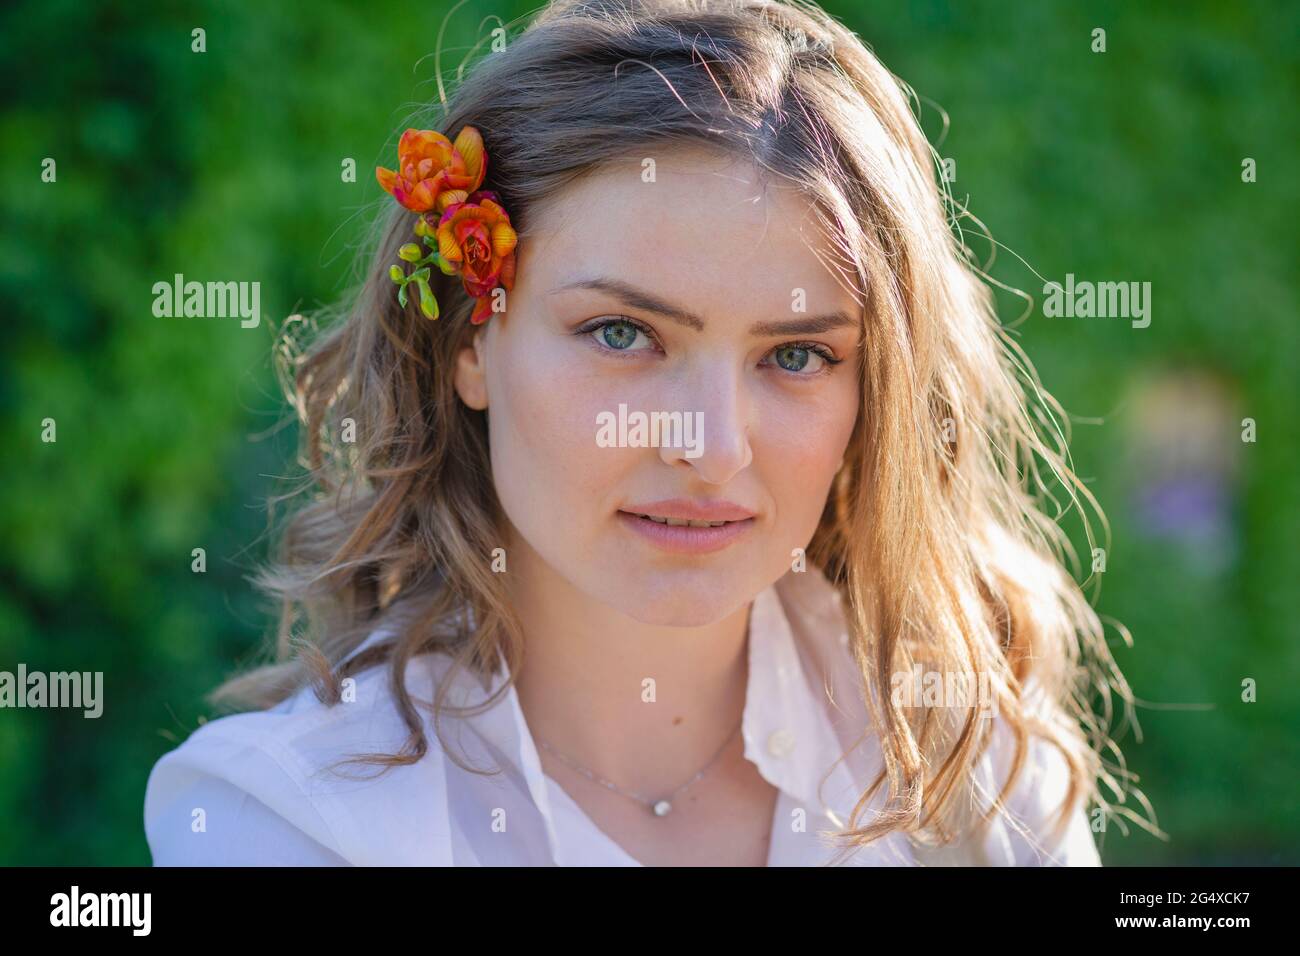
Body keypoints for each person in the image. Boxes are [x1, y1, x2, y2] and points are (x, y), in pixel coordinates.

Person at [145, 0, 1137, 866]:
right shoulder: (288, 820)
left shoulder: (969, 757)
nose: (710, 447)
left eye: (794, 355)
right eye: (622, 333)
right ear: (468, 338)